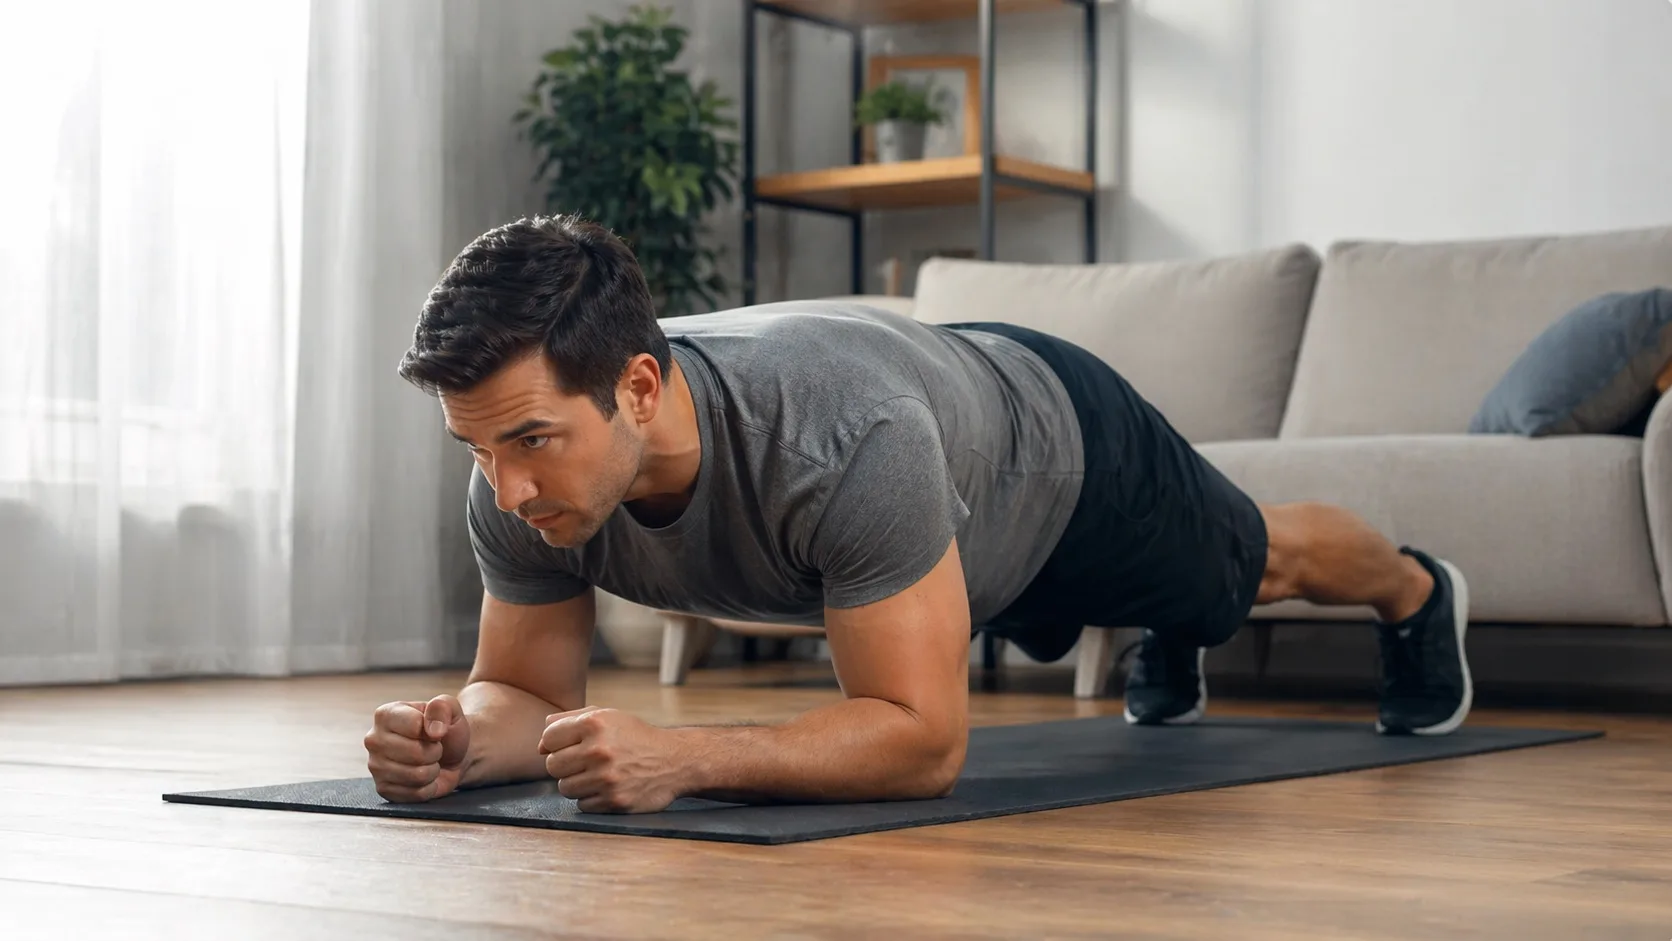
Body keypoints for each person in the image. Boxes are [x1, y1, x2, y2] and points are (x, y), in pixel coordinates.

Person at [363, 214, 1472, 813]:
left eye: (528, 443)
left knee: (1247, 568)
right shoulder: (516, 470)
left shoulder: (842, 440)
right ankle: (1167, 630)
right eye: (476, 446)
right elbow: (525, 693)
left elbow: (925, 740)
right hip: (954, 508)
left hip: (1061, 457)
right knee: (1176, 601)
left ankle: (1415, 588)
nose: (504, 488)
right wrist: (460, 739)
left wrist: (687, 755)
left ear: (639, 391)